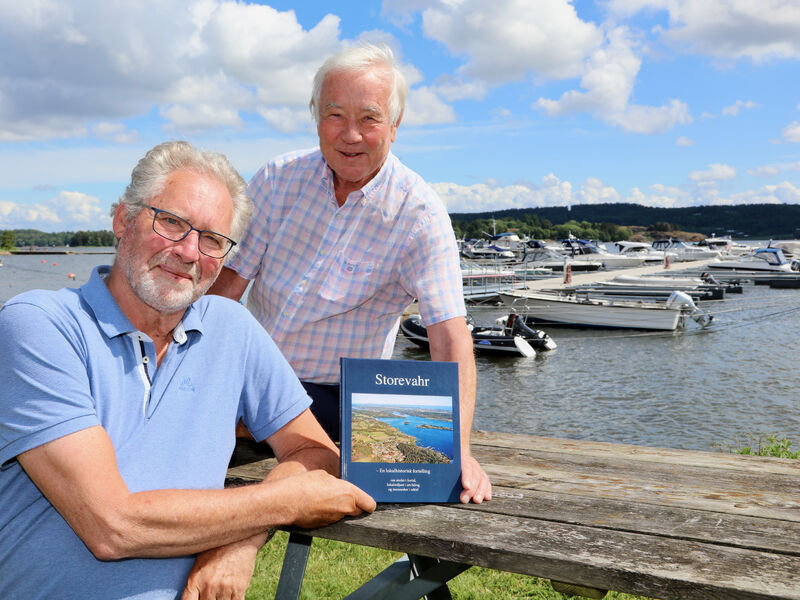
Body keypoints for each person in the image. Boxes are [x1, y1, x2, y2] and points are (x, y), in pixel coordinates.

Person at [0, 141, 375, 600]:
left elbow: (314, 451)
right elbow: (112, 526)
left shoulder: (231, 328)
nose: (189, 252)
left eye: (213, 239)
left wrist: (240, 542)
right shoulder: (40, 324)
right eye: (172, 223)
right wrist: (285, 503)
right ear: (122, 220)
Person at [208, 43, 492, 505]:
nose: (350, 135)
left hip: (336, 397)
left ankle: (239, 531)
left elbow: (449, 336)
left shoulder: (418, 214)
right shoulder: (277, 180)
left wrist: (457, 449)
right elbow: (226, 290)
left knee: (292, 446)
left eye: (370, 118)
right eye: (335, 115)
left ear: (395, 127)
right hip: (252, 376)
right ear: (316, 117)